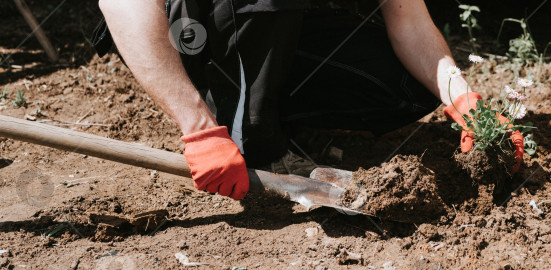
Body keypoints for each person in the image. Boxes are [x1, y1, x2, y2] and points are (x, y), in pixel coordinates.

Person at [96, 0, 523, 200]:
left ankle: (266, 111)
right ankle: (249, 137)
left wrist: (466, 102)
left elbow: (408, 19)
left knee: (406, 87)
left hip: (277, 29)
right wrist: (198, 127)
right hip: (186, 37)